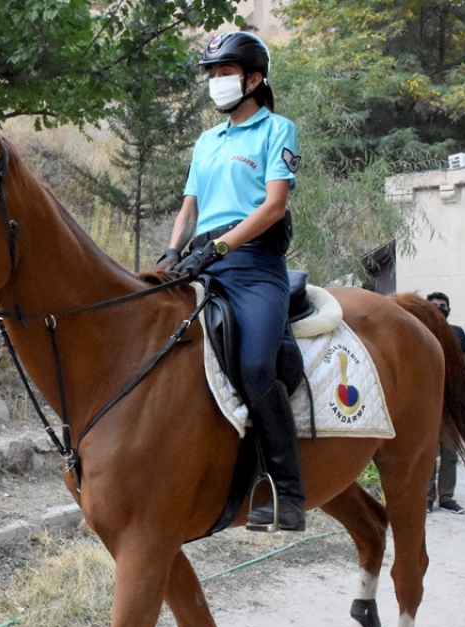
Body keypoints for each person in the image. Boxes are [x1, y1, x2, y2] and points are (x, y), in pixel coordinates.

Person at [156, 31, 306, 531]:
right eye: (213, 75)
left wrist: (218, 247)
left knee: (258, 363)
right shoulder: (207, 141)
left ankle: (286, 491)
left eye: (225, 74)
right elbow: (189, 208)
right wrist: (173, 253)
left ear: (254, 79)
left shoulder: (277, 130)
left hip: (255, 266)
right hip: (200, 260)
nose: (216, 83)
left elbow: (273, 206)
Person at [426, 292, 465, 514]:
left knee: (450, 452)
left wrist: (461, 380)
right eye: (434, 305)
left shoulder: (457, 333)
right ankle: (426, 498)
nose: (439, 308)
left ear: (449, 309)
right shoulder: (420, 331)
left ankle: (446, 497)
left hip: (451, 403)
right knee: (427, 452)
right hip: (427, 403)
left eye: (443, 305)